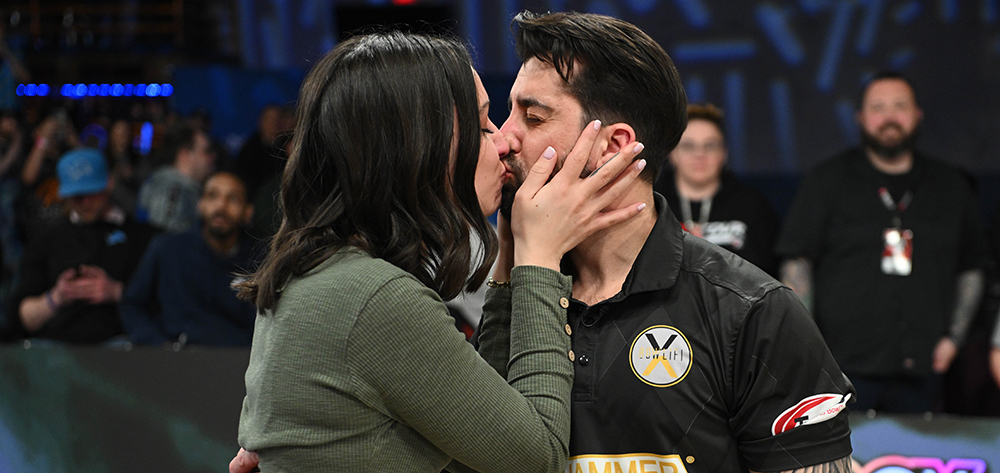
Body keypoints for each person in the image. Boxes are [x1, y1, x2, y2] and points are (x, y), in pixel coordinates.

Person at [234, 11, 855, 473]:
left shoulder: (751, 313)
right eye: (496, 117)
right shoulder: (467, 289)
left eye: (530, 118)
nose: (505, 139)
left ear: (613, 148)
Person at [232, 31, 646, 473]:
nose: (505, 141)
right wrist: (539, 258)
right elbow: (536, 458)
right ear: (420, 146)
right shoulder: (375, 298)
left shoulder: (319, 271)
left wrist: (508, 255)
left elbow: (478, 427)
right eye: (483, 125)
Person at [776, 71, 991, 413]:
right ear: (861, 118)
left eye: (900, 106)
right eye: (878, 107)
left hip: (926, 369)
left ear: (917, 115)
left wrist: (954, 338)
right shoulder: (826, 181)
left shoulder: (951, 186)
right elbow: (797, 264)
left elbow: (972, 267)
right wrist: (809, 349)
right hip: (841, 369)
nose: (889, 117)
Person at [10, 148, 155, 344]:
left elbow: (167, 304)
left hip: (120, 343)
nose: (86, 202)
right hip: (58, 347)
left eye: (92, 193)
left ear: (109, 184)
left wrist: (117, 292)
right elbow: (24, 319)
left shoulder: (143, 237)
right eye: (77, 196)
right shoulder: (47, 239)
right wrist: (57, 297)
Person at [120, 172, 258, 347]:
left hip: (239, 363)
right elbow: (132, 305)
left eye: (233, 199)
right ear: (200, 204)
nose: (221, 206)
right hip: (177, 359)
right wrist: (159, 345)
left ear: (248, 211)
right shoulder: (167, 248)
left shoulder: (262, 260)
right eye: (212, 196)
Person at [654, 103, 781, 276]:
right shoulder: (651, 203)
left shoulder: (751, 204)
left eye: (710, 145)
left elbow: (769, 273)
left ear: (724, 153)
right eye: (688, 146)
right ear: (672, 153)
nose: (699, 154)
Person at [137, 123, 216, 233]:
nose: (212, 157)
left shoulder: (182, 187)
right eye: (206, 152)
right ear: (184, 155)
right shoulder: (173, 187)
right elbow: (163, 237)